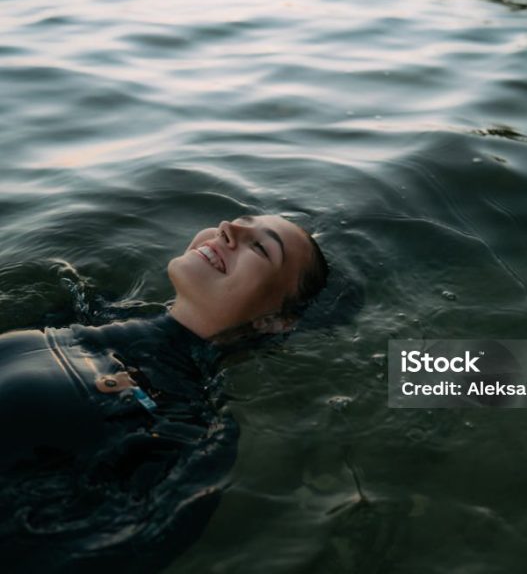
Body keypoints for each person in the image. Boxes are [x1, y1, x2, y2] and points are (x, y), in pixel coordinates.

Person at [0, 214, 328, 574]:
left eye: (261, 247)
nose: (228, 228)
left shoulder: (187, 427)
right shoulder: (81, 313)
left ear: (275, 321)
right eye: (238, 221)